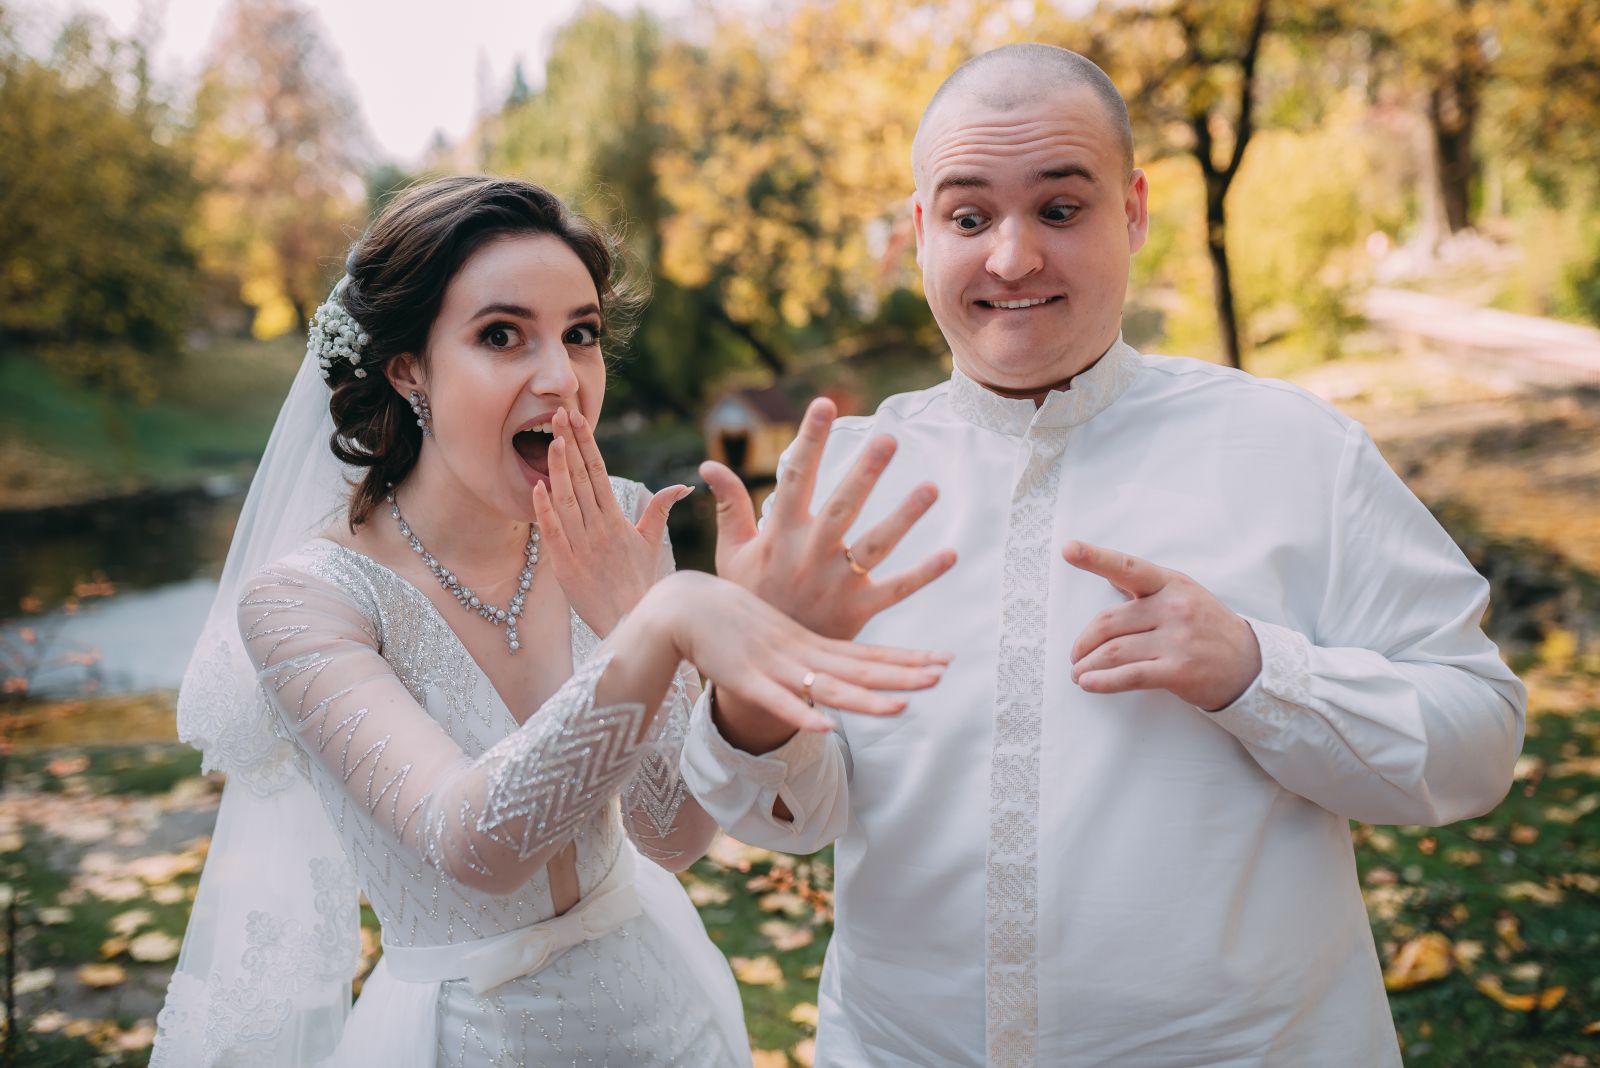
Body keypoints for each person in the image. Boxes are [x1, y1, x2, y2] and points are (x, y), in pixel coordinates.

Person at [681, 44, 1527, 1067]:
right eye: (967, 217)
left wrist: (1258, 672)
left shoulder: (1296, 450)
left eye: (1059, 209)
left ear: (1130, 212)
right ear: (920, 233)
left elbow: (1480, 740)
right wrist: (758, 689)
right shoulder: (840, 487)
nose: (1010, 258)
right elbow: (789, 821)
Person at [151, 176, 949, 1067]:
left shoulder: (620, 522)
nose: (562, 379)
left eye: (581, 334)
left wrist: (640, 616)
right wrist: (657, 626)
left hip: (665, 1017)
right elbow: (473, 845)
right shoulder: (303, 599)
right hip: (465, 1041)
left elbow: (671, 834)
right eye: (502, 335)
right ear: (408, 369)